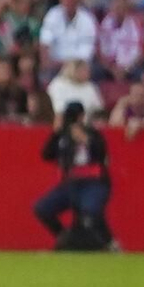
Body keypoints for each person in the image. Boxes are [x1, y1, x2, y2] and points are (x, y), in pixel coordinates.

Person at [34, 102, 114, 250]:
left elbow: (102, 154)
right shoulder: (62, 135)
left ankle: (107, 243)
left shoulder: (92, 133)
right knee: (43, 208)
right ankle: (64, 237)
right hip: (70, 183)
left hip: (93, 182)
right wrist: (56, 133)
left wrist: (86, 140)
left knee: (89, 211)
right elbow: (47, 154)